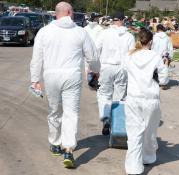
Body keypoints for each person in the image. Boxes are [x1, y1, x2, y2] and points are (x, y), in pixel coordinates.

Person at [29, 1, 99, 168]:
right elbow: (92, 56)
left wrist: (35, 80)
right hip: (72, 76)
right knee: (71, 113)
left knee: (54, 110)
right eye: (72, 12)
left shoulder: (44, 32)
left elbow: (37, 58)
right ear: (68, 12)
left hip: (51, 75)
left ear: (56, 14)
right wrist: (95, 71)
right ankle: (68, 148)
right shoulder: (80, 32)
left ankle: (55, 143)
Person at [124, 29, 169, 175]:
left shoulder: (130, 56)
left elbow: (125, 71)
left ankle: (133, 167)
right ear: (151, 42)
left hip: (133, 97)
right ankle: (147, 157)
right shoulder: (155, 57)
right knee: (149, 131)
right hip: (150, 99)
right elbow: (164, 79)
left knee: (134, 133)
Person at [95, 11, 135, 135]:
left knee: (104, 94)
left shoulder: (104, 33)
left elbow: (96, 50)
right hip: (122, 68)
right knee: (120, 96)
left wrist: (94, 69)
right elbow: (132, 55)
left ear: (113, 20)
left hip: (106, 67)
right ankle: (117, 123)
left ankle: (106, 118)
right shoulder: (129, 36)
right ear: (123, 20)